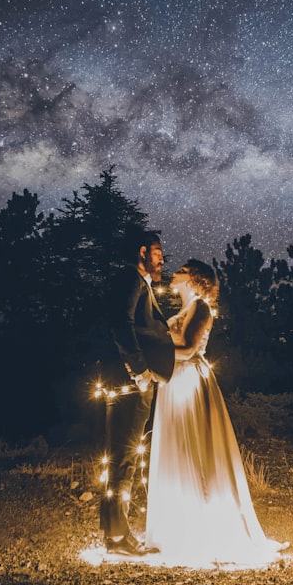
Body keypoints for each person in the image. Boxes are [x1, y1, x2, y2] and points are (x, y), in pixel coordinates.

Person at [144, 259, 285, 567]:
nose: (174, 272)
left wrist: (151, 353)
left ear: (195, 279)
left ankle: (202, 526)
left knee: (193, 448)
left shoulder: (201, 308)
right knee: (177, 450)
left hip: (188, 382)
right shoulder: (184, 309)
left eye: (182, 270)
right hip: (173, 381)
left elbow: (189, 347)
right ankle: (177, 525)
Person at [102, 229, 175, 557]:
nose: (162, 257)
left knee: (123, 456)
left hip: (133, 383)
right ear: (143, 251)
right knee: (125, 457)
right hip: (133, 384)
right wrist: (140, 371)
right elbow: (120, 324)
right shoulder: (132, 280)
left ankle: (114, 534)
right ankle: (118, 539)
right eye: (158, 251)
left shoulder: (140, 283)